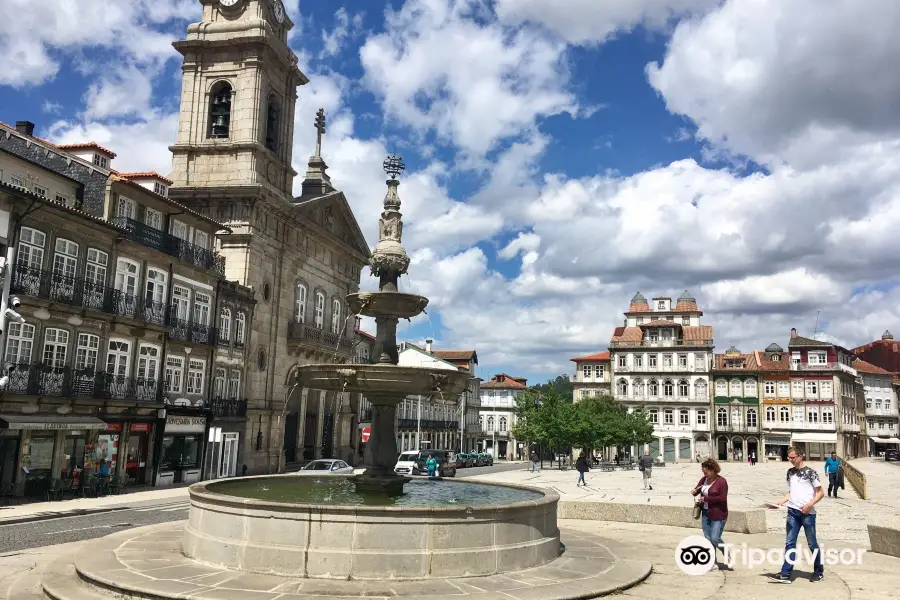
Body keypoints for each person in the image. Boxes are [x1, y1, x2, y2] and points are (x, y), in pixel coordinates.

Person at [769, 446, 825, 583]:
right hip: (792, 512)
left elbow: (820, 493)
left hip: (808, 513)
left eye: (793, 457)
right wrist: (781, 501)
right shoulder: (790, 473)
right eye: (789, 457)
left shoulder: (811, 473)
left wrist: (809, 505)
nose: (790, 460)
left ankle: (818, 571)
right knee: (789, 543)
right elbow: (791, 491)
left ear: (800, 456)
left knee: (812, 544)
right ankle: (786, 573)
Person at [690, 458, 729, 570]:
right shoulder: (704, 479)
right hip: (706, 512)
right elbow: (698, 489)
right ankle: (713, 562)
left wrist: (706, 499)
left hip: (718, 513)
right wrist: (694, 491)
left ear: (713, 470)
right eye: (703, 472)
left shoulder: (721, 481)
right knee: (707, 539)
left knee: (715, 538)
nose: (705, 474)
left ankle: (726, 552)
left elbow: (722, 498)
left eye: (706, 472)